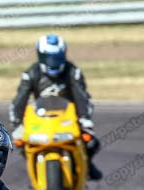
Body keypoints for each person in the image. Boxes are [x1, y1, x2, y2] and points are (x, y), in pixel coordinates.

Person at [9, 34, 103, 181]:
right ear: (40, 56)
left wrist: (84, 120)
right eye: (48, 57)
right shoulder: (31, 73)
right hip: (41, 117)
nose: (53, 62)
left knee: (91, 142)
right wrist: (17, 124)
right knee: (22, 143)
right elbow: (20, 100)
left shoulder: (73, 72)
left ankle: (87, 165)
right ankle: (36, 168)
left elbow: (82, 97)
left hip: (69, 117)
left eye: (57, 57)